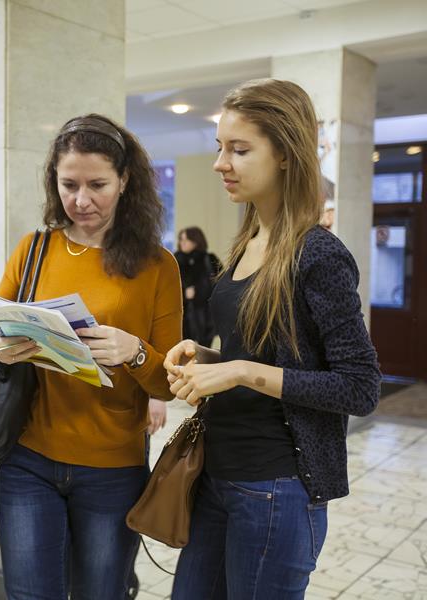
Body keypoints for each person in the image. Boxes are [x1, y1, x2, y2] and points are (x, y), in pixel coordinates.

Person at [164, 79, 381, 599]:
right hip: (218, 472)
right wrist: (209, 358)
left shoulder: (318, 254)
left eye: (239, 150)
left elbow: (359, 387)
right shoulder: (248, 239)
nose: (220, 163)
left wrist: (239, 372)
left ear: (285, 154)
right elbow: (258, 352)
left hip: (276, 487)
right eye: (220, 147)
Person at [0, 114, 183, 599]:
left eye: (97, 185)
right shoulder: (36, 248)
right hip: (28, 459)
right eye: (69, 185)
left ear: (125, 181)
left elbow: (168, 383)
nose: (81, 200)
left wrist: (135, 352)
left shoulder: (157, 265)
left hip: (112, 471)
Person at [175, 227, 222, 348]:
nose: (182, 243)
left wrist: (199, 292)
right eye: (181, 239)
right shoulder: (175, 261)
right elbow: (168, 289)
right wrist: (184, 293)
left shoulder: (209, 260)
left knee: (205, 352)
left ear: (196, 241)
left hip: (205, 317)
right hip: (182, 317)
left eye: (186, 239)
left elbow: (219, 287)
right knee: (183, 351)